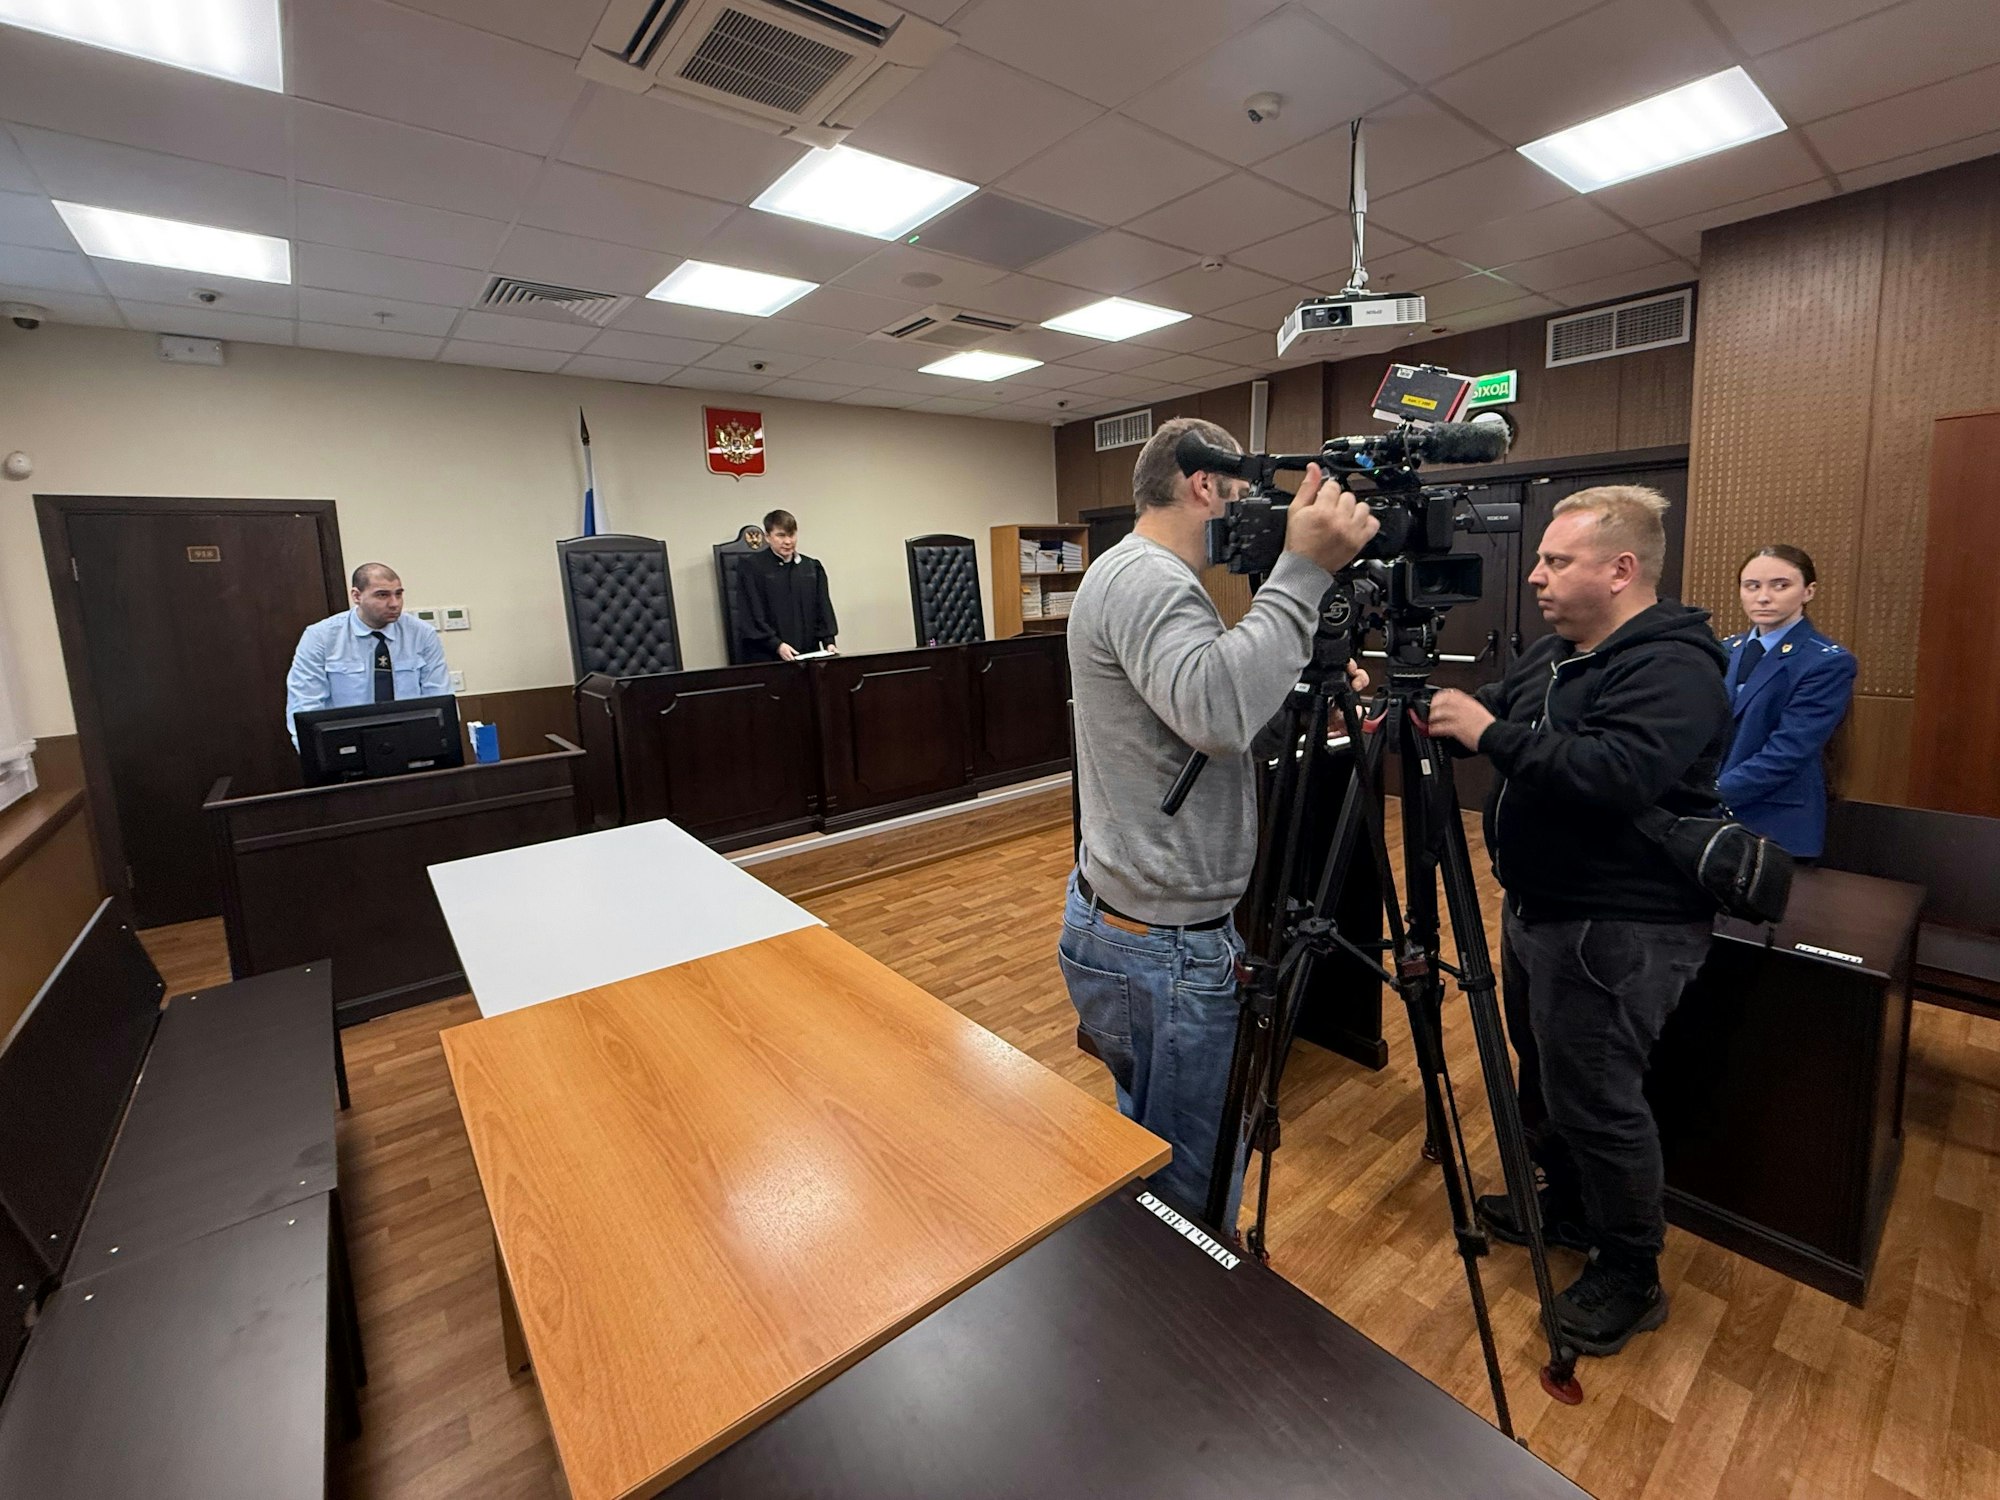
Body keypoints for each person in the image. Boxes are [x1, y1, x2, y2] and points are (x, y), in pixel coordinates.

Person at [1424, 486, 1730, 1358]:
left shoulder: (1675, 665)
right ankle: (1564, 1206)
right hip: (1544, 911)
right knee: (1550, 1077)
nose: (1537, 577)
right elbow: (1492, 710)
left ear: (1622, 570)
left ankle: (1631, 1272)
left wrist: (1490, 736)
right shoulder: (1561, 654)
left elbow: (1616, 772)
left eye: (1558, 561)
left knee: (1597, 1099)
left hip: (1622, 925)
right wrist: (1424, 709)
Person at [1060, 416, 1379, 1230]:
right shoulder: (1150, 580)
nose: (1249, 520)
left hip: (1135, 924)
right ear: (1204, 485)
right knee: (1192, 1183)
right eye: (1241, 497)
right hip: (1162, 944)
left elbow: (1200, 732)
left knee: (1150, 1143)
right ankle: (1184, 1332)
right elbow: (1216, 712)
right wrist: (1302, 571)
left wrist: (1295, 673)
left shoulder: (1129, 574)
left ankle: (1148, 1298)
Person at [1717, 545, 1856, 859]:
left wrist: (1710, 793)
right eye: (1752, 586)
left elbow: (1788, 751)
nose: (1763, 597)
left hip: (1776, 824)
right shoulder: (1725, 649)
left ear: (1808, 591)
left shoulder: (1826, 661)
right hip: (1711, 820)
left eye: (1780, 585)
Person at [285, 562, 450, 746]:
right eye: (382, 595)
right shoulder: (321, 637)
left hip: (413, 742)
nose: (394, 604)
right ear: (356, 595)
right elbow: (305, 703)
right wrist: (316, 756)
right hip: (346, 745)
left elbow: (439, 695)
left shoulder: (421, 634)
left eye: (399, 594)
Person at [741, 509, 837, 661]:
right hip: (769, 655)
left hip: (808, 653)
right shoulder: (752, 568)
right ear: (767, 537)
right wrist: (776, 644)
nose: (788, 541)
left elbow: (823, 606)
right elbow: (752, 614)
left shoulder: (811, 567)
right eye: (781, 535)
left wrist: (828, 641)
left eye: (791, 534)